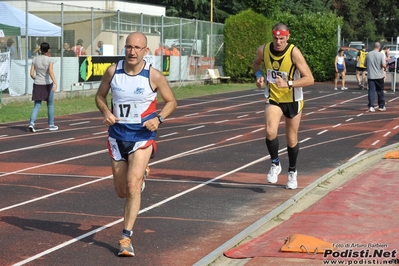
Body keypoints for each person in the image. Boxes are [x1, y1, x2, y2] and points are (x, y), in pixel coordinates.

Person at [95, 32, 177, 257]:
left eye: (137, 48)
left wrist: (158, 119)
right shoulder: (113, 72)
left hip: (142, 137)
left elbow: (171, 101)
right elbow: (100, 97)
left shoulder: (154, 76)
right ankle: (141, 176)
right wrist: (106, 112)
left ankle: (125, 237)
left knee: (132, 185)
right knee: (122, 191)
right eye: (129, 47)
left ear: (145, 51)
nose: (132, 51)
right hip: (117, 136)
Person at [253, 22, 314, 189]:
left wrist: (289, 83)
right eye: (275, 38)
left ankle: (292, 171)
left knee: (291, 138)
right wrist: (259, 75)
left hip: (293, 99)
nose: (278, 42)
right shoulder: (263, 50)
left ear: (288, 37)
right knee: (270, 131)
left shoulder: (294, 53)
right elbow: (256, 63)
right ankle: (275, 163)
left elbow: (309, 79)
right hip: (274, 98)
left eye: (281, 38)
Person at [28, 42, 58, 132]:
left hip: (37, 84)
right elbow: (51, 72)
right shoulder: (50, 60)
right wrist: (55, 83)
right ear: (48, 50)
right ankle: (51, 124)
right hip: (47, 84)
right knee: (50, 105)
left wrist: (36, 79)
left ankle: (31, 123)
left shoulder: (35, 59)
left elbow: (31, 74)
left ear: (40, 49)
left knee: (37, 105)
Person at [365, 42, 386, 112]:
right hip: (379, 76)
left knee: (371, 91)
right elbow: (383, 65)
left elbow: (365, 64)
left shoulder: (368, 54)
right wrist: (385, 67)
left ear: (373, 46)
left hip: (371, 75)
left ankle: (371, 106)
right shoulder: (381, 55)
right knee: (380, 91)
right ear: (379, 47)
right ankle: (381, 106)